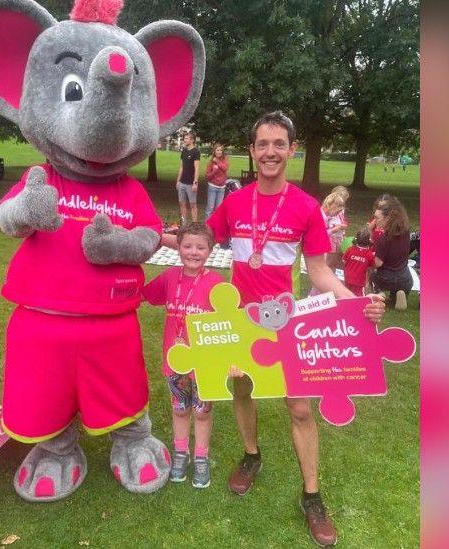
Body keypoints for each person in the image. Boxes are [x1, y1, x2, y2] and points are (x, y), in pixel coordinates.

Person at [164, 111, 385, 546]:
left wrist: (357, 302)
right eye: (262, 144)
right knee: (242, 390)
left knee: (300, 409)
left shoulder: (305, 207)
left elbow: (319, 271)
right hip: (241, 323)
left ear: (291, 150)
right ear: (252, 150)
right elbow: (198, 244)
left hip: (287, 323)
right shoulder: (234, 201)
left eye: (279, 144)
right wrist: (151, 237)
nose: (270, 152)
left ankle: (312, 495)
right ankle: (251, 455)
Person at [142, 223, 225, 489]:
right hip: (175, 360)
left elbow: (229, 327)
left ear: (210, 251)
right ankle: (181, 452)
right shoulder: (169, 278)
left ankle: (201, 456)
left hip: (205, 364)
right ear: (178, 247)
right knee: (180, 408)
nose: (193, 252)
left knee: (202, 411)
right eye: (187, 246)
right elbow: (145, 295)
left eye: (200, 247)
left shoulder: (216, 283)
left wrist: (230, 360)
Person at [370, 196, 413, 310]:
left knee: (370, 273)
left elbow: (378, 263)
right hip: (405, 277)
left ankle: (379, 293)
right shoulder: (405, 231)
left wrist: (368, 258)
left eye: (377, 218)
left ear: (388, 218)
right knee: (400, 280)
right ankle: (397, 294)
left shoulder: (383, 238)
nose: (375, 221)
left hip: (386, 278)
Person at [342, 227, 376, 296]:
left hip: (347, 278)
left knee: (345, 295)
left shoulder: (350, 250)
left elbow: (343, 261)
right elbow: (371, 268)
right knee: (359, 297)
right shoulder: (369, 254)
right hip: (359, 281)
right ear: (369, 240)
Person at [176, 132, 200, 224]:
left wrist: (195, 183)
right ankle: (184, 224)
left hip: (191, 184)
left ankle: (194, 225)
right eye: (184, 138)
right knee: (182, 204)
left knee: (193, 204)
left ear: (192, 140)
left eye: (186, 138)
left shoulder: (196, 152)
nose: (184, 140)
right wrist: (178, 181)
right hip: (182, 183)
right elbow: (181, 167)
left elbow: (197, 168)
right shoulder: (184, 151)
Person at [204, 143, 230, 220]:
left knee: (218, 209)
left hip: (221, 187)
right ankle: (207, 228)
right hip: (212, 187)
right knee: (210, 208)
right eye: (217, 150)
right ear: (214, 151)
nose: (219, 152)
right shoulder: (211, 162)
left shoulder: (225, 160)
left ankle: (216, 227)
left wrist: (217, 162)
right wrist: (214, 171)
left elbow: (225, 168)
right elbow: (207, 176)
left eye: (220, 150)